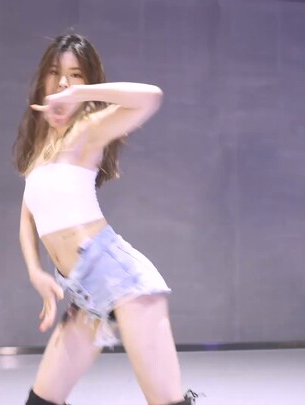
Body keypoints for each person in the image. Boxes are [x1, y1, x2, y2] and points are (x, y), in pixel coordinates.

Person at [13, 33, 198, 405]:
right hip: (85, 293)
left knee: (166, 402)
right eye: (55, 72)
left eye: (75, 74)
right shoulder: (42, 148)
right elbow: (28, 215)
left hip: (122, 280)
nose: (63, 82)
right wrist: (35, 272)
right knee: (42, 401)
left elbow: (151, 97)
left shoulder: (88, 130)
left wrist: (80, 95)